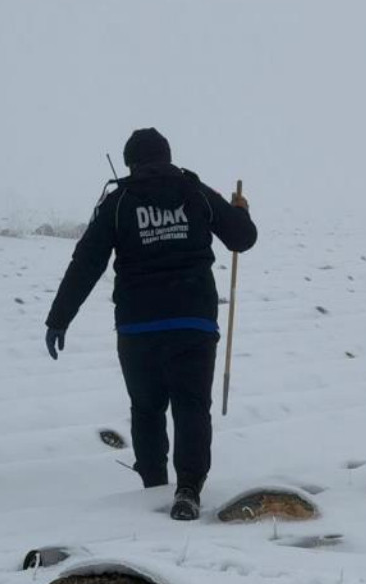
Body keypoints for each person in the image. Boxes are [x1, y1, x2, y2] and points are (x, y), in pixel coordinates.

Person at [45, 128, 257, 521]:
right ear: (167, 156)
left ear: (131, 162)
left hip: (138, 328)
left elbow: (87, 262)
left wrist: (59, 318)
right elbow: (242, 238)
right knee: (192, 408)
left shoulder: (120, 201)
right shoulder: (194, 193)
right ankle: (188, 490)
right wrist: (240, 210)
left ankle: (154, 488)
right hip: (193, 323)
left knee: (146, 409)